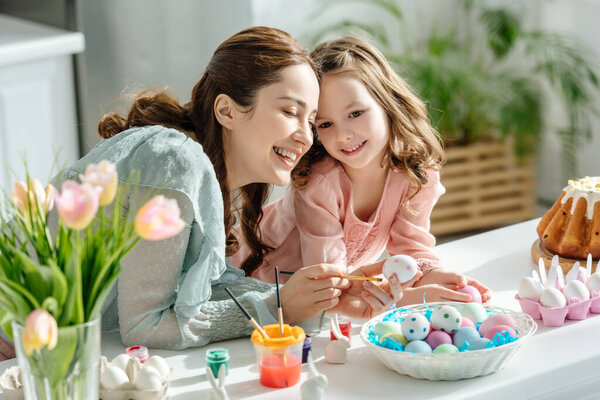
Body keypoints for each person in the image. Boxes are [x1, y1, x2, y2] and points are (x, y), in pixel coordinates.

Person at [44, 28, 412, 351]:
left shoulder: (202, 176)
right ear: (227, 111)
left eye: (312, 120)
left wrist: (324, 298)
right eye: (289, 112)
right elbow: (147, 326)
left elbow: (207, 290)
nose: (305, 136)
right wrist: (278, 307)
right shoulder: (175, 161)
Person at [231, 36, 491, 305]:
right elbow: (326, 281)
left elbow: (411, 249)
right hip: (246, 279)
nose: (343, 135)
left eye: (355, 113)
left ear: (387, 101)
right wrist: (407, 298)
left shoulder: (417, 174)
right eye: (326, 124)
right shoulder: (319, 186)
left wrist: (440, 279)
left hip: (307, 304)